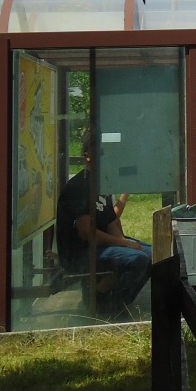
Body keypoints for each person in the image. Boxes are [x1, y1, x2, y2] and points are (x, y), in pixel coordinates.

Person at [56, 129, 152, 313]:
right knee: (138, 259)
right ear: (88, 156)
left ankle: (108, 298)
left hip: (99, 247)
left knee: (153, 254)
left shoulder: (100, 184)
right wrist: (124, 244)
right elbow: (87, 233)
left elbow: (111, 222)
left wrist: (125, 243)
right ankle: (105, 307)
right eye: (101, 152)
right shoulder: (79, 186)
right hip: (78, 254)